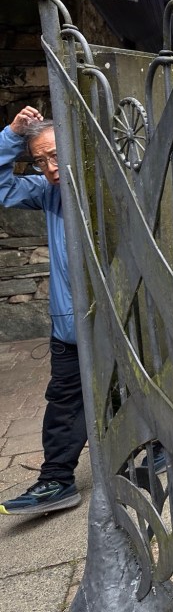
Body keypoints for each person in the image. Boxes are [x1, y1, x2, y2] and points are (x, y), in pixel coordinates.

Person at [0, 107, 84, 515]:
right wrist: (12, 136)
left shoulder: (115, 185)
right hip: (69, 324)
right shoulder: (48, 191)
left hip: (120, 321)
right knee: (65, 400)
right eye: (40, 161)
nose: (51, 169)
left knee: (131, 390)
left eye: (56, 156)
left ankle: (158, 446)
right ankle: (57, 481)